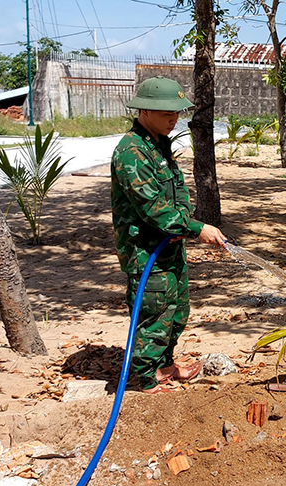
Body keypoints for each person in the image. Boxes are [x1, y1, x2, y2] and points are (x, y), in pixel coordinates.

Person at [111, 76, 226, 394]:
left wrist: (185, 229)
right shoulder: (132, 153)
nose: (173, 118)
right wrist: (197, 228)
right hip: (146, 251)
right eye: (166, 113)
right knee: (154, 313)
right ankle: (146, 380)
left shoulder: (158, 145)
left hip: (169, 245)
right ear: (144, 111)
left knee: (176, 311)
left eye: (176, 112)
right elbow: (155, 209)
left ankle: (164, 366)